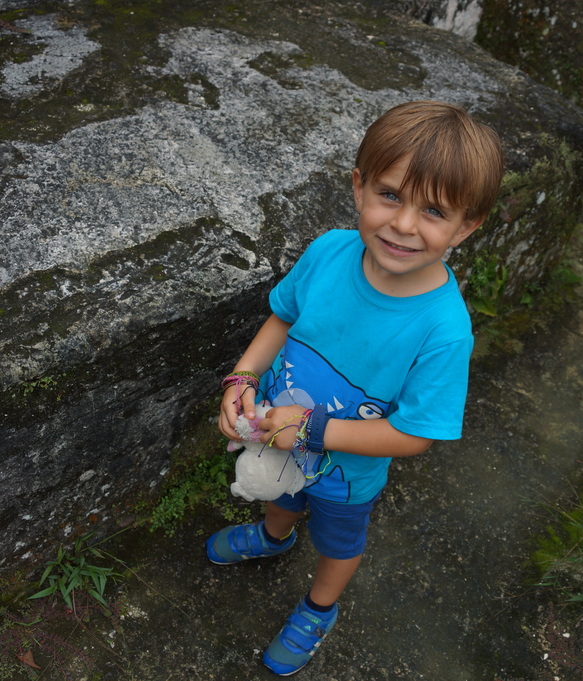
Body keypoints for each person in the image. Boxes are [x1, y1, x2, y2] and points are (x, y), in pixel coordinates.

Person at [207, 100, 504, 676]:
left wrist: (312, 430)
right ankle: (272, 538)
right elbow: (283, 317)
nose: (404, 225)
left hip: (346, 476)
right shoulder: (328, 252)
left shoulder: (443, 331)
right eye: (390, 195)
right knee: (279, 497)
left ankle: (319, 608)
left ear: (467, 226)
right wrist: (243, 376)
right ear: (359, 187)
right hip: (275, 438)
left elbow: (414, 434)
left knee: (338, 543)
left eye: (434, 211)